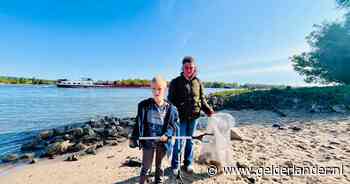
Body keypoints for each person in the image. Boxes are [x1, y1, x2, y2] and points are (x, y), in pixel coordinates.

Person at [168, 56, 215, 175]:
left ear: (194, 68)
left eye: (191, 67)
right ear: (182, 68)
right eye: (186, 67)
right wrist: (172, 117)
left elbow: (202, 100)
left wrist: (209, 111)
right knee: (179, 142)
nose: (189, 69)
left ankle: (188, 163)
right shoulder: (175, 82)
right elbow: (170, 102)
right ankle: (175, 165)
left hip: (194, 117)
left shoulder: (198, 82)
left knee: (191, 142)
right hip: (180, 119)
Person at [129, 76, 179, 184]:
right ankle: (142, 181)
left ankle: (158, 181)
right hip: (148, 142)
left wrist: (167, 135)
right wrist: (134, 137)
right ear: (151, 88)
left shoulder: (171, 109)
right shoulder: (144, 106)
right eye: (154, 89)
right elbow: (138, 123)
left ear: (165, 89)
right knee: (146, 166)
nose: (156, 92)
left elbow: (173, 127)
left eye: (159, 89)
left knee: (160, 166)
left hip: (163, 142)